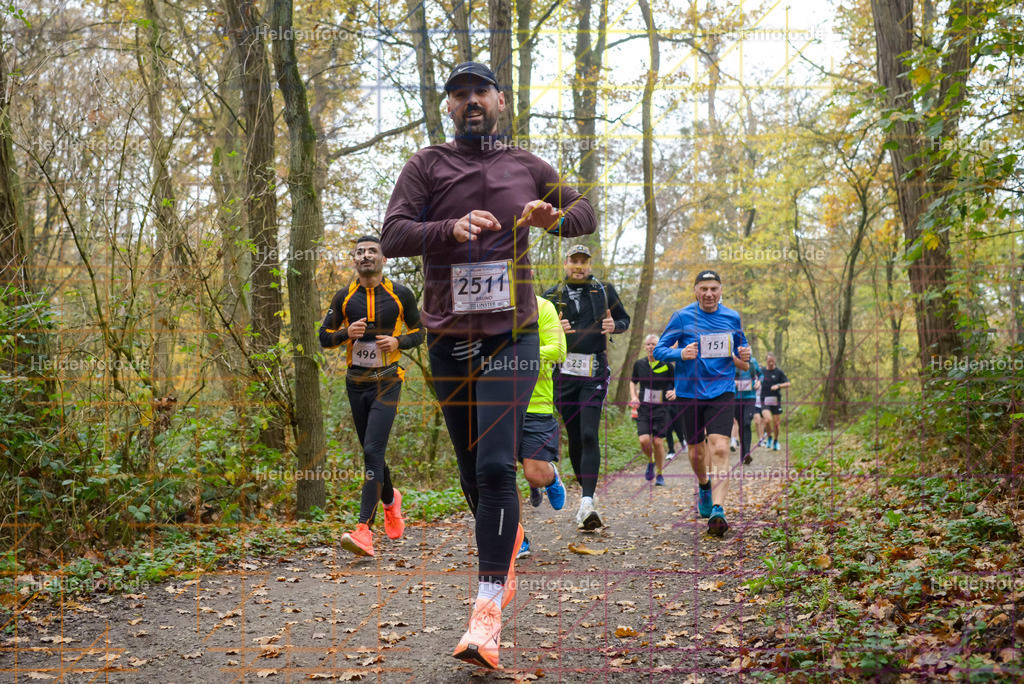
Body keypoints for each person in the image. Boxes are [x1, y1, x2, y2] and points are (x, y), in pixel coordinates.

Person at [380, 61, 596, 670]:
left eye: (481, 92)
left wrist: (555, 219)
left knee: (500, 464)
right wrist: (448, 228)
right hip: (450, 339)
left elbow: (584, 213)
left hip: (513, 335)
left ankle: (486, 613)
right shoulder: (427, 165)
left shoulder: (527, 165)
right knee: (473, 471)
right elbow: (392, 232)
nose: (471, 102)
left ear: (500, 100)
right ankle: (504, 557)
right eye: (459, 95)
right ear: (448, 106)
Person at [318, 235, 424, 557]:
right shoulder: (344, 297)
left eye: (372, 251)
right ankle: (391, 501)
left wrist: (399, 343)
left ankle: (364, 529)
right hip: (356, 384)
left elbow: (422, 332)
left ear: (383, 259)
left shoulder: (400, 293)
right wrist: (342, 334)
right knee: (372, 454)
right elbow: (323, 337)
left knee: (371, 450)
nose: (366, 256)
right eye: (360, 252)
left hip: (388, 382)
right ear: (354, 261)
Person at [654, 269, 750, 537]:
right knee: (696, 453)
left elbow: (742, 359)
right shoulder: (682, 317)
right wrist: (680, 353)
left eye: (714, 288)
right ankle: (704, 485)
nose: (709, 293)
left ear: (721, 290)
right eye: (704, 288)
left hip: (721, 390)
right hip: (689, 393)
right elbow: (659, 351)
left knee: (720, 447)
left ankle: (718, 509)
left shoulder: (732, 317)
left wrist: (745, 353)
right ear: (695, 290)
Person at [543, 245, 630, 530]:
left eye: (584, 261)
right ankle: (585, 490)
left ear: (590, 265)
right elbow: (536, 332)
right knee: (575, 437)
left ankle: (588, 501)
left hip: (593, 371)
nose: (579, 266)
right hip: (563, 375)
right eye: (574, 261)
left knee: (590, 432)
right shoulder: (551, 296)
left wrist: (612, 325)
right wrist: (555, 329)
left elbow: (624, 320)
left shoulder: (604, 290)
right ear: (565, 264)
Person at [517, 295, 569, 559]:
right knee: (498, 476)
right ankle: (516, 540)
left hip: (536, 405)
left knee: (534, 474)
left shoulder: (543, 307)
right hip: (496, 404)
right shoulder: (485, 305)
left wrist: (516, 352)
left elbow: (558, 351)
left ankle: (550, 476)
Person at [629, 334, 675, 486]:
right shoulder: (639, 364)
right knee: (644, 440)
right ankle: (651, 461)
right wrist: (634, 396)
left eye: (653, 344)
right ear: (645, 347)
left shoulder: (667, 365)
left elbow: (676, 384)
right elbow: (632, 382)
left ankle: (660, 473)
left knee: (658, 443)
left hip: (661, 408)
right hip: (643, 408)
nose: (650, 347)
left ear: (659, 346)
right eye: (648, 344)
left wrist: (674, 392)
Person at [733, 352, 762, 465]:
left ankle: (747, 453)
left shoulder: (753, 362)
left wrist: (759, 382)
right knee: (741, 425)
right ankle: (743, 454)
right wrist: (733, 382)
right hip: (736, 398)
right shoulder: (733, 361)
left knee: (746, 423)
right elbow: (725, 376)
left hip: (750, 397)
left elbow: (760, 375)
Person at [760, 352, 791, 451]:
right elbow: (755, 379)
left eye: (772, 362)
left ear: (775, 361)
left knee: (776, 423)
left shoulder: (779, 372)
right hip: (764, 399)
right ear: (766, 361)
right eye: (769, 361)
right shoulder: (762, 371)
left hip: (776, 400)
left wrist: (778, 386)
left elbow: (788, 383)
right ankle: (769, 437)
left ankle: (776, 440)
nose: (771, 363)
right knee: (767, 420)